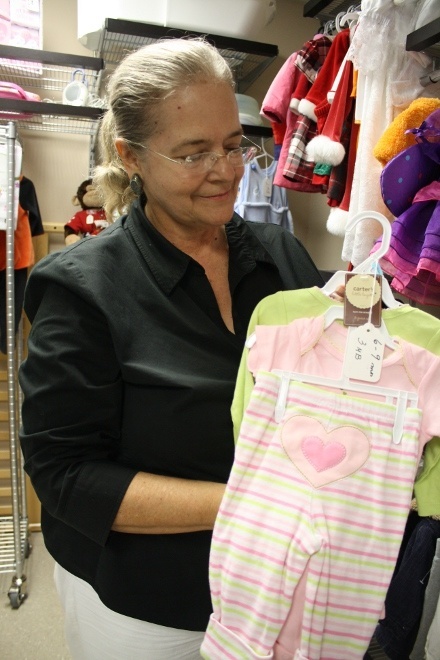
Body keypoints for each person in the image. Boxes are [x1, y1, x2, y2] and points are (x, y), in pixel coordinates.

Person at [19, 38, 324, 659]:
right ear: (130, 156)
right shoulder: (83, 290)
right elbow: (67, 476)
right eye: (193, 154)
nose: (227, 170)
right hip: (149, 600)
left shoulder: (284, 257)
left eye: (235, 146)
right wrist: (255, 501)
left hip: (280, 580)